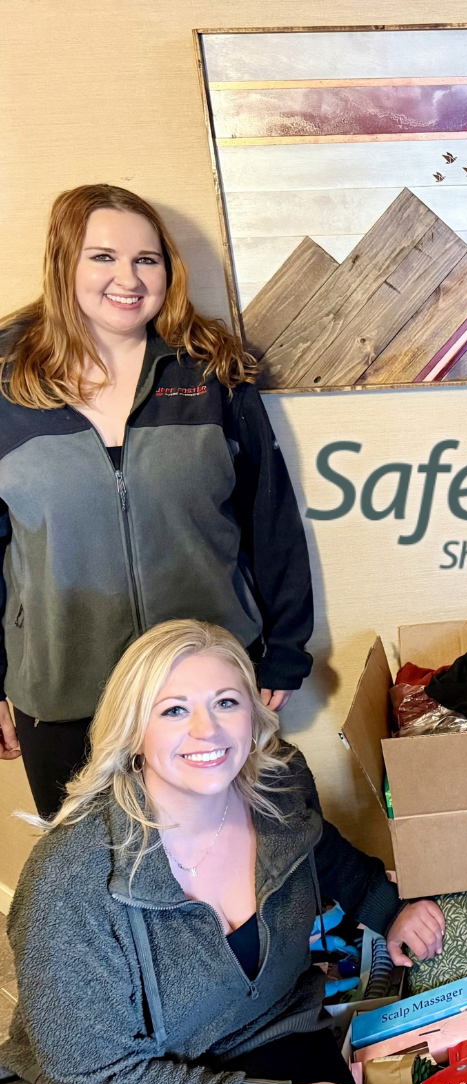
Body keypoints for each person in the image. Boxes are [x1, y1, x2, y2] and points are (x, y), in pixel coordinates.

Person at [0, 619, 446, 1084]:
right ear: (133, 731)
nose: (207, 730)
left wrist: (389, 909)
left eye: (226, 703)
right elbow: (95, 1081)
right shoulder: (69, 879)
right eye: (174, 710)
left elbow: (320, 849)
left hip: (267, 1036)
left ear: (252, 715)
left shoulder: (279, 786)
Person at [0, 185, 314, 819]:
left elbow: (271, 519)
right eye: (103, 257)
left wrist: (285, 649)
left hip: (207, 690)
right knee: (94, 868)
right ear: (63, 264)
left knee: (228, 858)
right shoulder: (9, 384)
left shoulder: (212, 371)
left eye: (147, 259)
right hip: (64, 695)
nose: (129, 278)